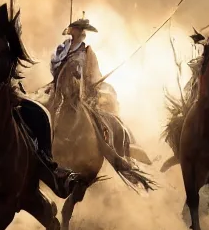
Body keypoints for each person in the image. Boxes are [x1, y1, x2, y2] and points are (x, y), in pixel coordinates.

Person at [48, 18, 151, 164]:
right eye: (77, 29)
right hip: (58, 89)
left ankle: (112, 151)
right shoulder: (62, 48)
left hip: (80, 93)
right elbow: (53, 66)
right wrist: (61, 68)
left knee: (99, 120)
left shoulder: (88, 53)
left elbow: (93, 74)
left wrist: (87, 83)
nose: (79, 33)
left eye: (81, 30)